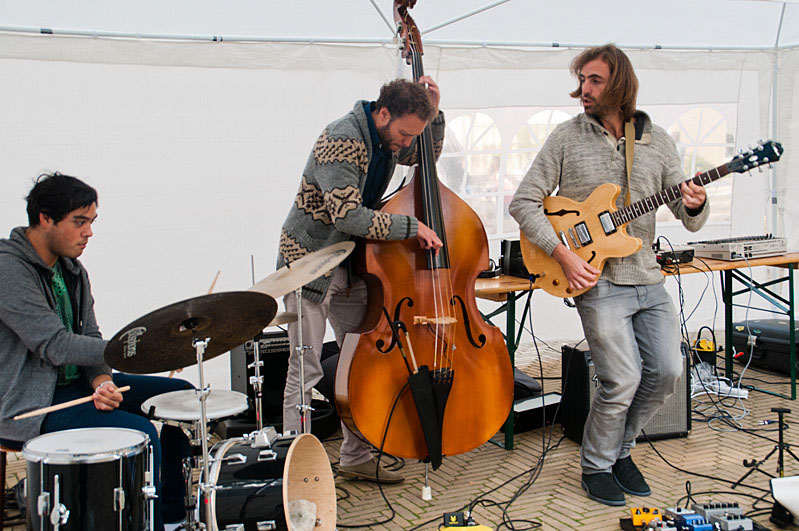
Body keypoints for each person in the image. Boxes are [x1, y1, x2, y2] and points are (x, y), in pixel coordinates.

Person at [509, 44, 709, 506]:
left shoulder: (657, 141)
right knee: (621, 379)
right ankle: (597, 465)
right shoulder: (566, 137)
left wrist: (695, 202)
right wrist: (562, 254)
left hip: (646, 277)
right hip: (596, 282)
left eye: (594, 80)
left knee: (666, 373)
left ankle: (620, 452)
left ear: (619, 83)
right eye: (581, 80)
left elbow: (684, 210)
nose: (583, 89)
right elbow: (523, 202)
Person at [0, 173, 192, 530]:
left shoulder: (73, 270)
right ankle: (144, 522)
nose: (88, 232)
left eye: (90, 222)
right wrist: (137, 350)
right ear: (45, 218)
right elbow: (54, 345)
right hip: (31, 403)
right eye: (79, 222)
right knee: (140, 433)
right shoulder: (7, 269)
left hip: (77, 388)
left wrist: (102, 382)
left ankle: (171, 515)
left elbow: (90, 337)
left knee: (183, 399)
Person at [277, 77, 445, 483]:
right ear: (382, 113)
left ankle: (354, 458)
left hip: (353, 266)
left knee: (361, 365)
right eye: (405, 133)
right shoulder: (342, 137)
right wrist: (412, 227)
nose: (406, 144)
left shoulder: (389, 138)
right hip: (310, 264)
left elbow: (426, 157)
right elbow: (348, 216)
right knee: (307, 369)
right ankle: (294, 472)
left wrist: (435, 117)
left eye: (413, 135)